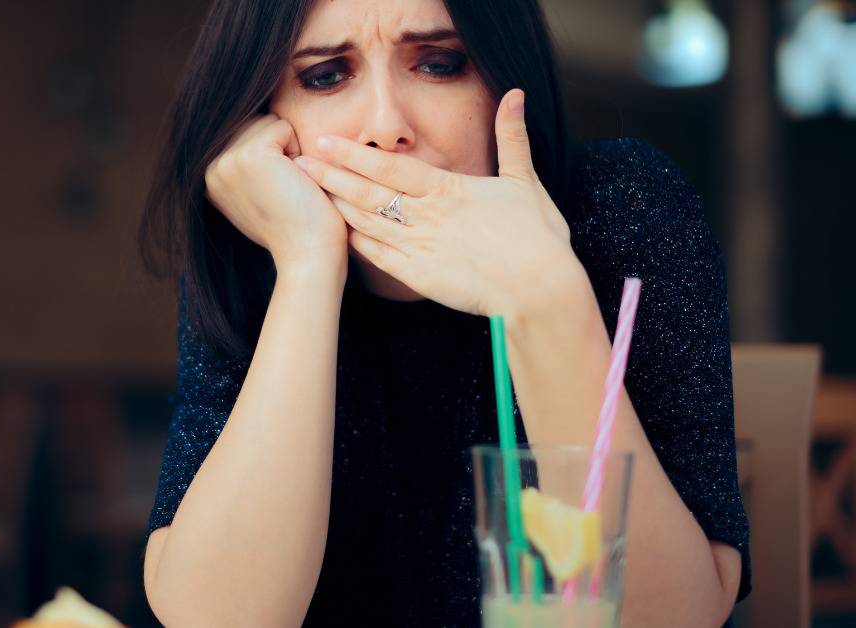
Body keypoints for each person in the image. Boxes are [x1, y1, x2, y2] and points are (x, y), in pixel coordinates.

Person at [138, 0, 751, 625]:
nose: (385, 126)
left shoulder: (623, 208)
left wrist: (542, 294)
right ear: (266, 116)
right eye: (324, 76)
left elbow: (673, 619)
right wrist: (306, 262)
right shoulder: (255, 249)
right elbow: (216, 618)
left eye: (439, 65)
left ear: (503, 81)